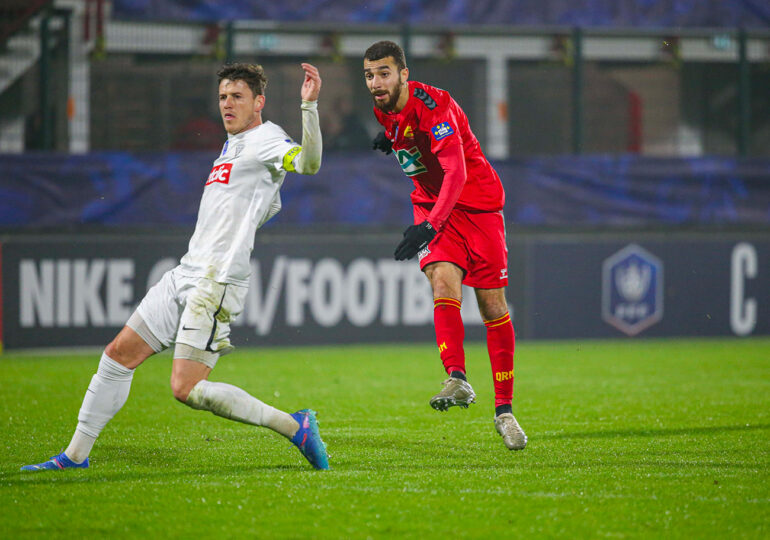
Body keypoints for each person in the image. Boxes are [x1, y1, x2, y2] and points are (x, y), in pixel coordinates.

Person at [22, 62, 329, 471]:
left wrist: (309, 107)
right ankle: (74, 456)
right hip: (185, 272)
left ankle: (294, 427)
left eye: (237, 96)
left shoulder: (268, 138)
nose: (227, 104)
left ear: (259, 102)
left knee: (185, 388)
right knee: (117, 355)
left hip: (215, 281)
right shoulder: (232, 146)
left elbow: (307, 165)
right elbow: (264, 203)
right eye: (222, 97)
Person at [363, 41, 526, 450]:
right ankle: (458, 379)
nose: (376, 83)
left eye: (384, 73)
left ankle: (504, 411)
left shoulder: (435, 106)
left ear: (404, 73)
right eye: (369, 75)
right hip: (431, 203)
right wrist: (396, 141)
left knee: (492, 307)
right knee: (441, 280)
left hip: (478, 205)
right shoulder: (383, 108)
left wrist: (429, 227)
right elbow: (411, 145)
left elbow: (456, 172)